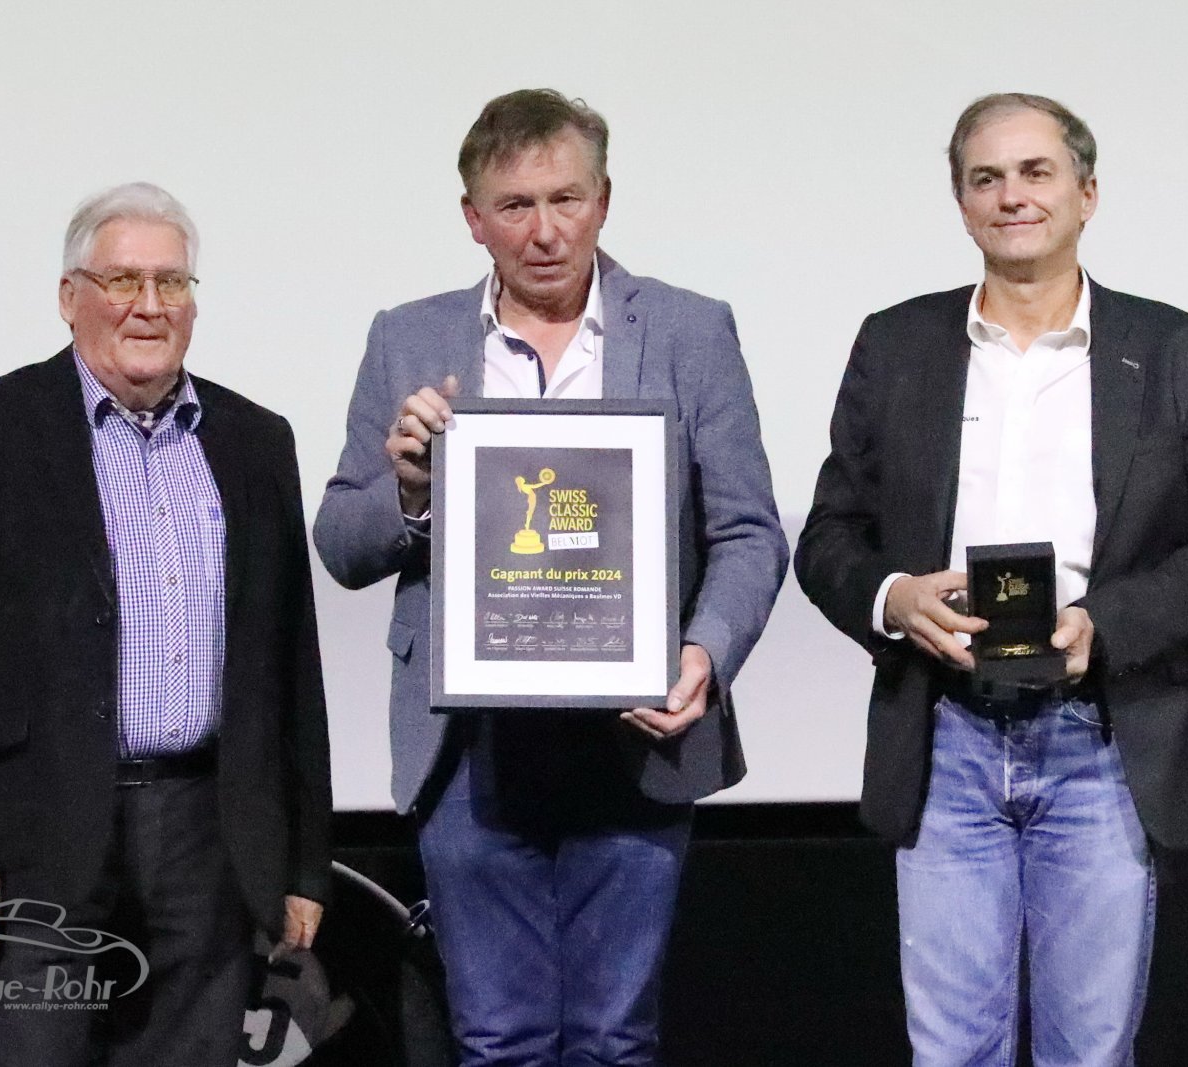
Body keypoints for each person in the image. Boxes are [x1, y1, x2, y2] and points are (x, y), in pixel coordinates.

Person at [795, 93, 1188, 1065]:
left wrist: (1107, 621)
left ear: (1086, 194)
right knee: (950, 1054)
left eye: (1035, 172)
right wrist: (894, 598)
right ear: (962, 203)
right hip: (946, 734)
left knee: (1087, 1053)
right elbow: (829, 537)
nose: (1011, 195)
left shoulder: (1172, 348)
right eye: (986, 178)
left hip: (1101, 735)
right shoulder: (896, 344)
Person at [314, 89, 787, 1066]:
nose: (544, 231)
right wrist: (411, 490)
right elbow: (342, 543)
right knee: (497, 1039)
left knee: (616, 1037)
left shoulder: (690, 331)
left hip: (637, 736)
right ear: (472, 217)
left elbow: (747, 530)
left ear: (603, 200)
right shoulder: (410, 337)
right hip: (469, 746)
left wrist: (702, 654)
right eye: (515, 205)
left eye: (566, 199)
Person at [0, 181, 332, 1066]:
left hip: (208, 839)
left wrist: (303, 863)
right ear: (70, 297)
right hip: (33, 841)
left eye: (173, 282)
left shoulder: (256, 441)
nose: (149, 304)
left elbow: (291, 668)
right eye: (123, 279)